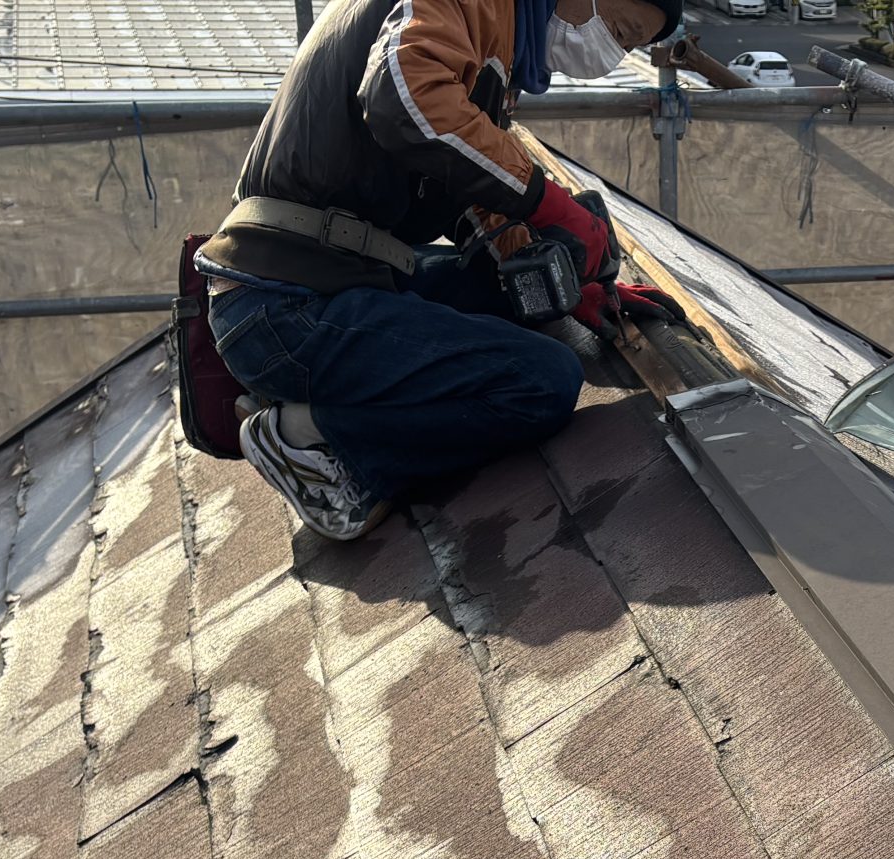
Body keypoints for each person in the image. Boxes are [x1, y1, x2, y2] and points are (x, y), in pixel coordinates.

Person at [197, 0, 681, 540]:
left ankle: (326, 391)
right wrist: (546, 201)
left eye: (629, 44)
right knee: (543, 382)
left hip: (332, 276)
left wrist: (572, 289)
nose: (611, 51)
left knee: (516, 298)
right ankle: (307, 436)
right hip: (287, 306)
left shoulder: (492, 36)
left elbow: (465, 185)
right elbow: (402, 97)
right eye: (618, 30)